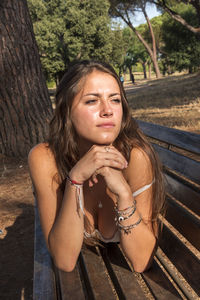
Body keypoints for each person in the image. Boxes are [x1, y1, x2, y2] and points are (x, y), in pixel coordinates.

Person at [28, 60, 165, 273]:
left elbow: (141, 262)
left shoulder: (135, 158)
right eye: (92, 101)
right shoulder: (45, 158)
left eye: (115, 100)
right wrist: (75, 179)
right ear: (66, 111)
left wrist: (124, 194)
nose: (107, 110)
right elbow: (64, 260)